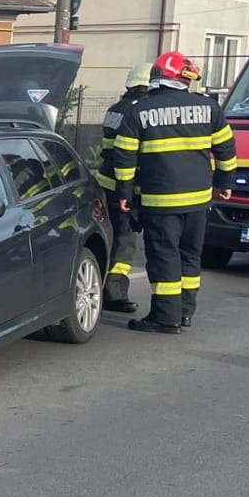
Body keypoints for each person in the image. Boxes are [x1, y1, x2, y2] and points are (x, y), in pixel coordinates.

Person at [111, 51, 238, 334]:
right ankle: (184, 313)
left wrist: (124, 193)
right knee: (191, 256)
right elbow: (226, 149)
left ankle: (165, 318)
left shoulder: (138, 111)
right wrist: (225, 183)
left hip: (161, 201)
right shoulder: (210, 108)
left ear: (156, 79)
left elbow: (124, 158)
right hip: (199, 200)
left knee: (164, 256)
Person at [97, 63, 154, 313]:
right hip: (125, 186)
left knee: (110, 236)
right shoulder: (140, 111)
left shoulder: (115, 109)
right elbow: (132, 154)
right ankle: (114, 294)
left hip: (105, 182)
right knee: (125, 241)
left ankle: (100, 287)